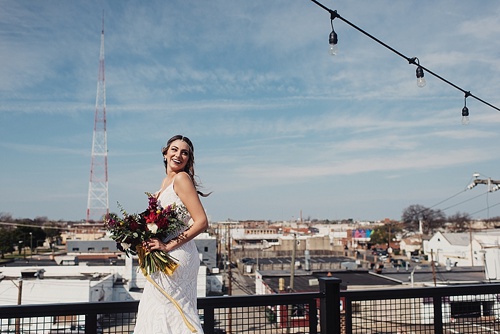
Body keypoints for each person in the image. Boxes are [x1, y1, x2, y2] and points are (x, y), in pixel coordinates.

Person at [134, 135, 209, 334]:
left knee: (170, 310)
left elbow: (201, 221)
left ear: (188, 160)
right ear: (165, 153)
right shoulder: (164, 183)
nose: (178, 155)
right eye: (174, 150)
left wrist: (168, 246)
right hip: (163, 255)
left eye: (185, 152)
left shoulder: (182, 178)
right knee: (159, 310)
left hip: (176, 255)